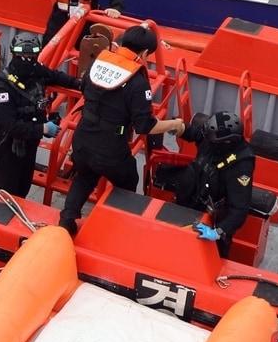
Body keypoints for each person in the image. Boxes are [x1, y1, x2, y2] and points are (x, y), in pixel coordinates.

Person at [58, 25, 185, 235]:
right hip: (111, 148)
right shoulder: (138, 82)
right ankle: (114, 227)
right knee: (127, 180)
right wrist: (175, 124)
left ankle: (66, 220)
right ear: (145, 53)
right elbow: (145, 125)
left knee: (85, 175)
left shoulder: (99, 63)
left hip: (82, 137)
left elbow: (84, 87)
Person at [0, 33, 82, 197]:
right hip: (7, 149)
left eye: (31, 56)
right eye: (23, 56)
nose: (27, 60)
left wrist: (80, 84)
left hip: (29, 146)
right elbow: (9, 125)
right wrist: (42, 128)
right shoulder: (2, 88)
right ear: (14, 55)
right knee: (5, 193)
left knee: (23, 187)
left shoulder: (35, 70)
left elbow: (55, 76)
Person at [158, 111, 255, 259]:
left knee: (209, 256)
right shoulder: (211, 137)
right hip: (189, 200)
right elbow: (196, 134)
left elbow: (239, 209)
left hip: (213, 218)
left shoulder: (241, 165)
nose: (207, 141)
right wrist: (180, 128)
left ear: (225, 142)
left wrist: (218, 232)